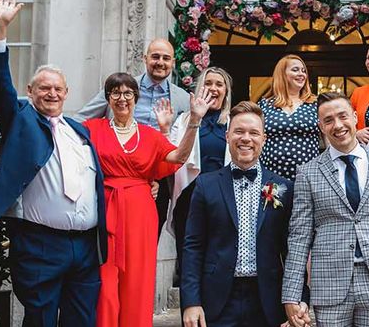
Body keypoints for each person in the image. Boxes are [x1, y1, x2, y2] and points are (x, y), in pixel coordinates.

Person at [0, 0, 107, 327]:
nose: (51, 93)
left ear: (67, 93)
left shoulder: (81, 132)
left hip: (85, 248)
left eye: (58, 89)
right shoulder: (20, 120)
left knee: (82, 321)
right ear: (30, 91)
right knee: (40, 321)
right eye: (43, 88)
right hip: (40, 245)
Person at [282, 91, 369, 327]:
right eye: (328, 120)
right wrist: (291, 294)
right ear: (321, 126)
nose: (337, 125)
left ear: (355, 117)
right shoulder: (308, 173)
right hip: (330, 287)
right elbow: (299, 237)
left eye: (342, 116)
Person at [83, 73, 210, 327]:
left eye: (128, 93)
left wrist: (194, 120)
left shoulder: (148, 135)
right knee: (105, 286)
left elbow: (178, 157)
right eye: (116, 93)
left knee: (137, 283)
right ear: (108, 98)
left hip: (140, 214)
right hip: (105, 209)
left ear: (135, 98)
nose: (122, 99)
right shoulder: (91, 129)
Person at [181, 101, 309, 327]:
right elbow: (193, 247)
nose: (246, 138)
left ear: (264, 139)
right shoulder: (205, 185)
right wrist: (191, 301)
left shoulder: (284, 188)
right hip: (217, 298)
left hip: (268, 299)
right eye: (239, 131)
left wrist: (299, 298)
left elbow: (293, 250)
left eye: (254, 133)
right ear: (228, 136)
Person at [75, 38, 191, 238]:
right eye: (155, 57)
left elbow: (183, 143)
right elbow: (80, 119)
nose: (160, 62)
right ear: (145, 59)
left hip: (159, 180)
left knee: (146, 238)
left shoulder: (182, 99)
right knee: (110, 239)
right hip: (115, 176)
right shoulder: (122, 88)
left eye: (166, 58)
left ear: (173, 63)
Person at [169, 66, 233, 269]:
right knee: (189, 256)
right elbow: (172, 157)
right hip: (190, 196)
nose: (213, 88)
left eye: (219, 84)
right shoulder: (184, 121)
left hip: (222, 197)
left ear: (226, 91)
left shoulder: (232, 123)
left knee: (217, 257)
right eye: (208, 83)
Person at [259, 55, 320, 181]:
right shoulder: (265, 105)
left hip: (309, 177)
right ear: (282, 74)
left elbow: (329, 138)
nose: (301, 74)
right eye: (295, 70)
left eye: (303, 71)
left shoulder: (315, 104)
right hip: (271, 177)